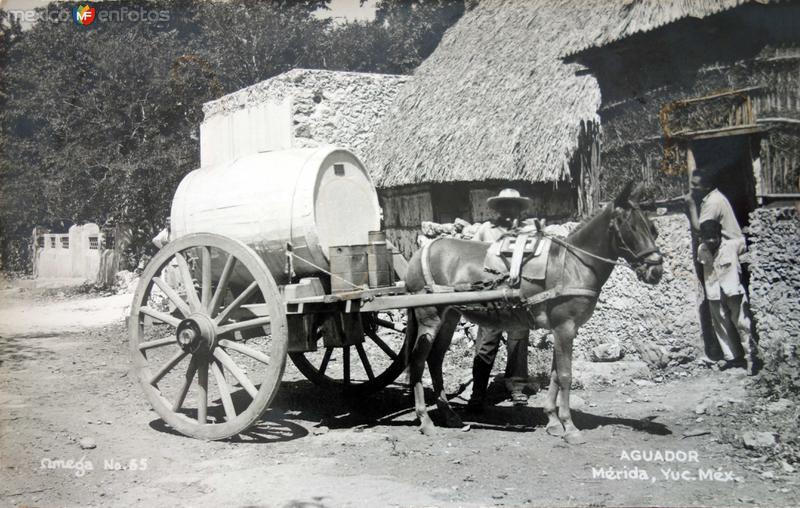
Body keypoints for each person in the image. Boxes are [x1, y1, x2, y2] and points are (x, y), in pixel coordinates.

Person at [468, 189, 532, 411]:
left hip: (517, 297)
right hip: (490, 298)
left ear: (519, 208)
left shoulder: (527, 231)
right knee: (486, 344)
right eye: (504, 205)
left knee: (518, 342)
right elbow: (471, 257)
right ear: (498, 208)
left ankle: (516, 388)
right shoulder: (486, 230)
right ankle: (478, 392)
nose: (508, 210)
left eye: (513, 205)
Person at [697, 219, 756, 374]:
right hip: (714, 293)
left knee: (742, 323)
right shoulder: (701, 249)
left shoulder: (732, 245)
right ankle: (732, 357)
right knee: (721, 326)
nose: (710, 241)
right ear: (702, 238)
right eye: (707, 238)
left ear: (719, 236)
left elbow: (749, 241)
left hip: (733, 291)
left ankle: (750, 358)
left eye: (714, 237)